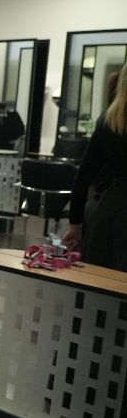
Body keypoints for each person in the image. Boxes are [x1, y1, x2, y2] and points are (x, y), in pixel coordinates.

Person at [63, 62, 127, 271]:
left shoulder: (107, 121)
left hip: (111, 211)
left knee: (100, 293)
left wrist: (75, 225)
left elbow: (82, 178)